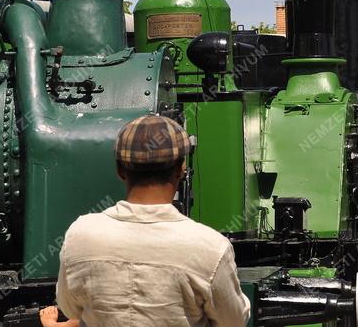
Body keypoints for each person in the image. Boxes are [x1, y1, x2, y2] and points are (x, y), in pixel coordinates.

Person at [56, 114, 251, 326]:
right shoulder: (211, 247)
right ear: (181, 169)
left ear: (120, 170)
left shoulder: (80, 234)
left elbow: (69, 307)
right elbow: (233, 321)